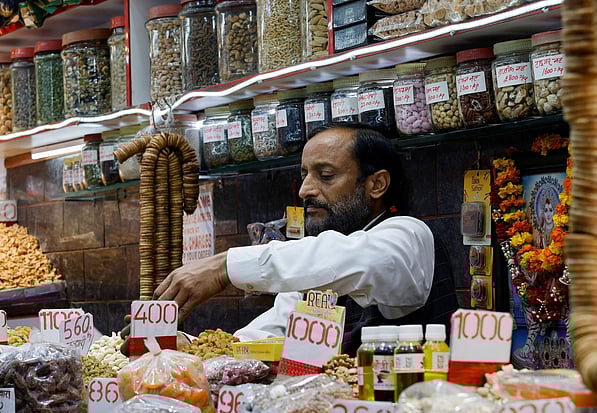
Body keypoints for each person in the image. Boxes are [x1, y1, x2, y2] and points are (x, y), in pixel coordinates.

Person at [151, 124, 459, 355]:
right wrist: (189, 348)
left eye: (325, 176)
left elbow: (355, 259)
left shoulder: (407, 236)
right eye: (304, 175)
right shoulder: (318, 266)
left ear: (376, 184)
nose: (304, 190)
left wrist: (224, 266)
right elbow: (268, 334)